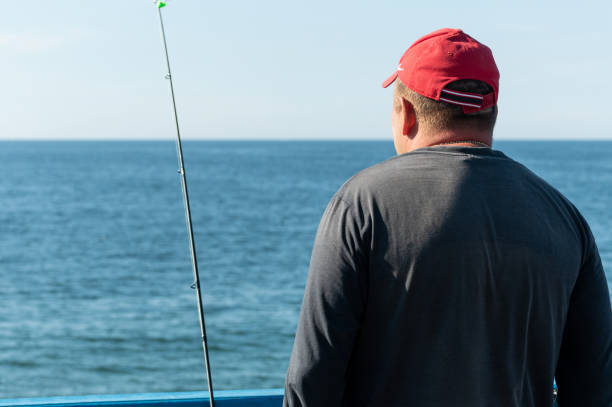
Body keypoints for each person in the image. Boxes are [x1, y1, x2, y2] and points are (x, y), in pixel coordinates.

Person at [283, 28, 612, 406]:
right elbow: (595, 388)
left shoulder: (361, 205)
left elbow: (312, 379)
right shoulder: (565, 218)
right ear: (493, 114)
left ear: (406, 114)